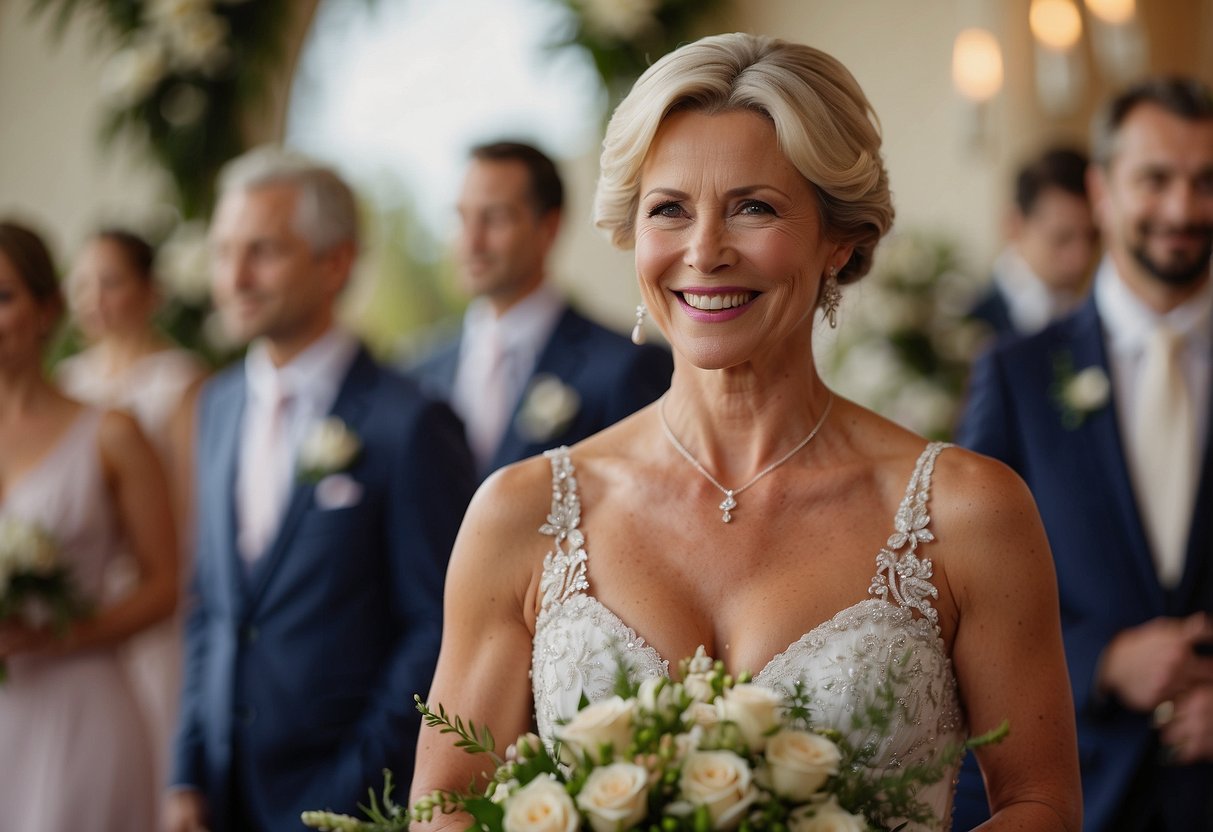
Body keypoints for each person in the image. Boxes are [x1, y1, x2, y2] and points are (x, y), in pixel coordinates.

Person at [410, 33, 1080, 832]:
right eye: (669, 210)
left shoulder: (969, 512)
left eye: (753, 207)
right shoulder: (519, 514)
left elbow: (1039, 804)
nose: (704, 252)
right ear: (632, 234)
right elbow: (445, 806)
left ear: (839, 237)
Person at [164, 149, 477, 832]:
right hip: (221, 795)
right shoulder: (214, 404)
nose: (233, 278)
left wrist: (345, 793)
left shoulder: (411, 422)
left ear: (334, 263)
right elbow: (212, 605)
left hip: (347, 798)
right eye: (222, 253)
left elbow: (438, 626)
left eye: (262, 252)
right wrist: (186, 773)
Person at [957, 76, 1213, 831]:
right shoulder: (1016, 374)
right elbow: (962, 592)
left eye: (1204, 182)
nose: (1181, 209)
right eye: (1155, 179)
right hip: (1074, 788)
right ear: (1100, 190)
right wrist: (1099, 659)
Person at [0, 220, 178, 831]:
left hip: (78, 710)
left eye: (3, 297)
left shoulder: (113, 434)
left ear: (48, 309)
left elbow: (163, 584)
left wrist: (54, 637)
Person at [409, 141, 673, 479]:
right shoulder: (419, 373)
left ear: (548, 226)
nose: (471, 242)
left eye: (494, 218)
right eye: (462, 218)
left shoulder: (627, 368)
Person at [57, 227, 207, 785]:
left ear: (150, 291)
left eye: (111, 282)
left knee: (148, 746)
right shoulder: (68, 380)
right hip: (79, 584)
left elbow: (192, 506)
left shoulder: (181, 381)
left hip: (154, 590)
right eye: (83, 284)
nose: (95, 299)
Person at [969, 147, 1098, 339]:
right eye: (1061, 239)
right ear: (1014, 227)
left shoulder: (1097, 315)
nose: (1081, 257)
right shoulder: (970, 328)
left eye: (1093, 237)